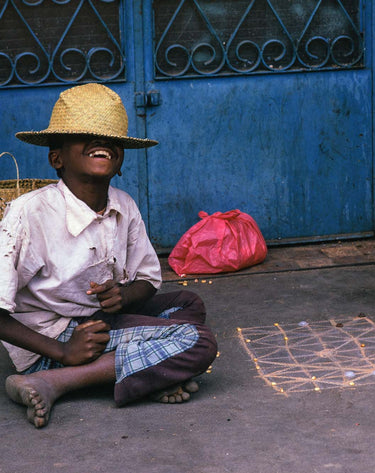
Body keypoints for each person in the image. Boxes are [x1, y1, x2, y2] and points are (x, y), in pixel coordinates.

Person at [0, 83, 218, 428]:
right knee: (197, 340)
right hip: (52, 342)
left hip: (97, 320)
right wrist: (62, 351)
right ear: (56, 158)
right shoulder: (29, 214)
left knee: (190, 304)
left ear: (120, 160)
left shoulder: (123, 205)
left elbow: (147, 279)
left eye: (112, 140)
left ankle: (142, 369)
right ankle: (53, 381)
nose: (101, 143)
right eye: (85, 135)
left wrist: (123, 295)